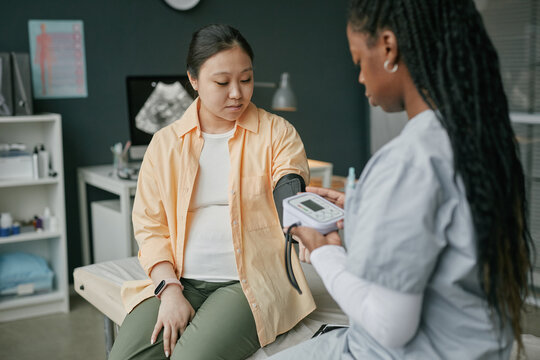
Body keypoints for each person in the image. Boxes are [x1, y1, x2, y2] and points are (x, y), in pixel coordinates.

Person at [270, 1, 535, 359]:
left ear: (389, 47)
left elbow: (389, 325)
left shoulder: (409, 161)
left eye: (358, 61)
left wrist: (324, 250)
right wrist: (364, 209)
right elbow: (443, 226)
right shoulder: (480, 141)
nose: (360, 77)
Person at [109, 24, 316, 360]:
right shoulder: (164, 145)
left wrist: (301, 222)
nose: (237, 93)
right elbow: (150, 228)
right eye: (222, 82)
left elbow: (288, 181)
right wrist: (170, 290)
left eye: (246, 79)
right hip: (181, 280)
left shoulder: (277, 133)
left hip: (247, 283)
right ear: (193, 80)